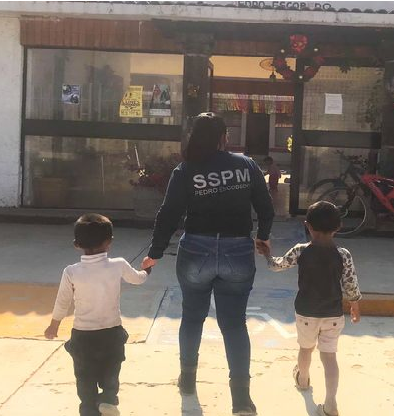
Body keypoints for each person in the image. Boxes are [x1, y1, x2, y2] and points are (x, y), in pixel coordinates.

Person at [141, 112, 274, 415]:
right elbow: (265, 208)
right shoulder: (246, 165)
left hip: (196, 252)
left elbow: (169, 214)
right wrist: (263, 237)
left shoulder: (185, 170)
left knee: (191, 318)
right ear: (223, 137)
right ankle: (241, 399)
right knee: (234, 324)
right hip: (238, 251)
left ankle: (187, 380)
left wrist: (156, 252)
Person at [257, 201, 361, 416]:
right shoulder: (343, 254)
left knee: (306, 349)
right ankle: (331, 403)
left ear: (307, 225)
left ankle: (303, 380)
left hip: (306, 312)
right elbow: (351, 283)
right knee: (329, 357)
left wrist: (267, 254)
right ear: (338, 227)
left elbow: (277, 266)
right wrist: (355, 304)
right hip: (333, 314)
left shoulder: (300, 251)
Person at [44, 214, 150, 416]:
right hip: (111, 332)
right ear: (109, 243)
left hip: (83, 336)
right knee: (112, 369)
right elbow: (138, 279)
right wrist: (147, 269)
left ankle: (88, 409)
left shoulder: (71, 272)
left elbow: (62, 301)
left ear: (76, 245)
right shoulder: (118, 264)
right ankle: (109, 399)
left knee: (85, 377)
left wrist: (54, 325)